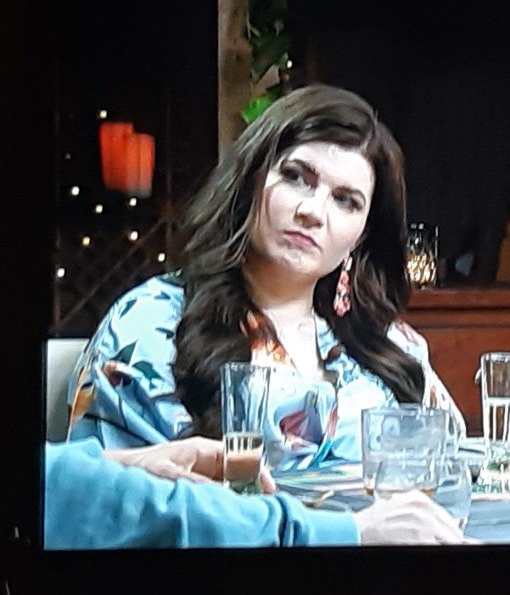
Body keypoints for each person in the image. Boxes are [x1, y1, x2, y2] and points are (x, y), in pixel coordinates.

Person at [66, 84, 466, 470]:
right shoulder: (151, 323)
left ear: (361, 236)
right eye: (296, 177)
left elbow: (454, 470)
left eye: (345, 200)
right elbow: (99, 494)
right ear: (250, 181)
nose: (313, 212)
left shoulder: (390, 343)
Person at [44, 436, 466, 549]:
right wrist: (344, 532)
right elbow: (146, 514)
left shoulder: (393, 342)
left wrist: (124, 461)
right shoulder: (149, 320)